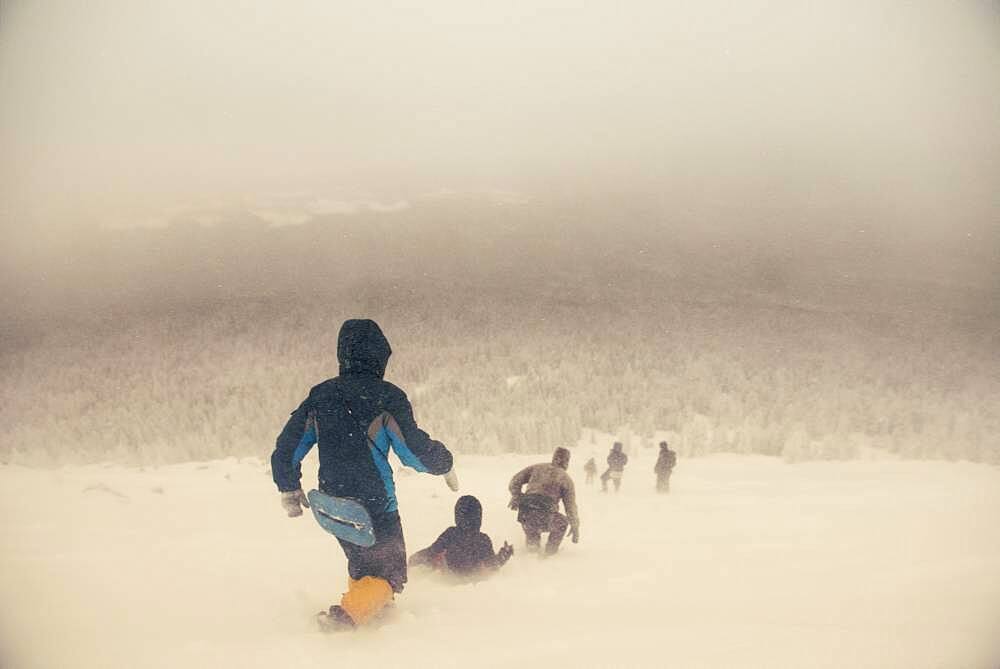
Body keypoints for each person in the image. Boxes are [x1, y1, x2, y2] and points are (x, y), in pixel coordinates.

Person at [270, 319, 457, 630]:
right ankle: (343, 620)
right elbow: (413, 451)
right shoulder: (387, 397)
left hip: (330, 504)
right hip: (375, 505)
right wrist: (444, 463)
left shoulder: (321, 395)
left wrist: (288, 486)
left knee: (362, 562)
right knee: (391, 573)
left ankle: (373, 610)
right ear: (379, 356)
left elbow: (287, 446)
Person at [408, 495, 514, 578]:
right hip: (473, 581)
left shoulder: (451, 534)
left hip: (449, 579)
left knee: (435, 558)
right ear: (479, 518)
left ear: (457, 516)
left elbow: (431, 551)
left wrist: (413, 559)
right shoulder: (483, 540)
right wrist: (503, 556)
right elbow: (492, 565)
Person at [508, 447, 580, 555]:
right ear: (566, 461)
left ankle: (530, 555)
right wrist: (575, 526)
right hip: (546, 511)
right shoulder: (565, 479)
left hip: (526, 509)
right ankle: (549, 554)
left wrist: (517, 496)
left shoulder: (537, 468)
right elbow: (570, 507)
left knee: (531, 532)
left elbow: (515, 481)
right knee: (562, 523)